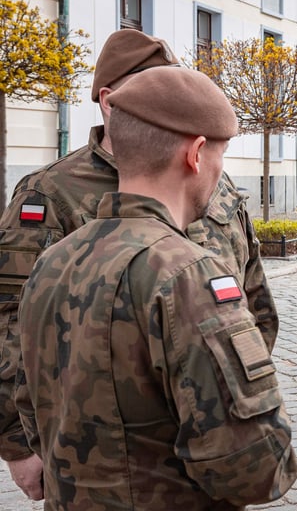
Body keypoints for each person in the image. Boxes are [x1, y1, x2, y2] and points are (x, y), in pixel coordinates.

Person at [0, 28, 280, 500]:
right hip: (105, 454)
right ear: (110, 100)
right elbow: (14, 323)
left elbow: (254, 300)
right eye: (151, 84)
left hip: (208, 435)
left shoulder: (219, 183)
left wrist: (231, 402)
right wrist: (18, 444)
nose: (168, 97)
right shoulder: (50, 192)